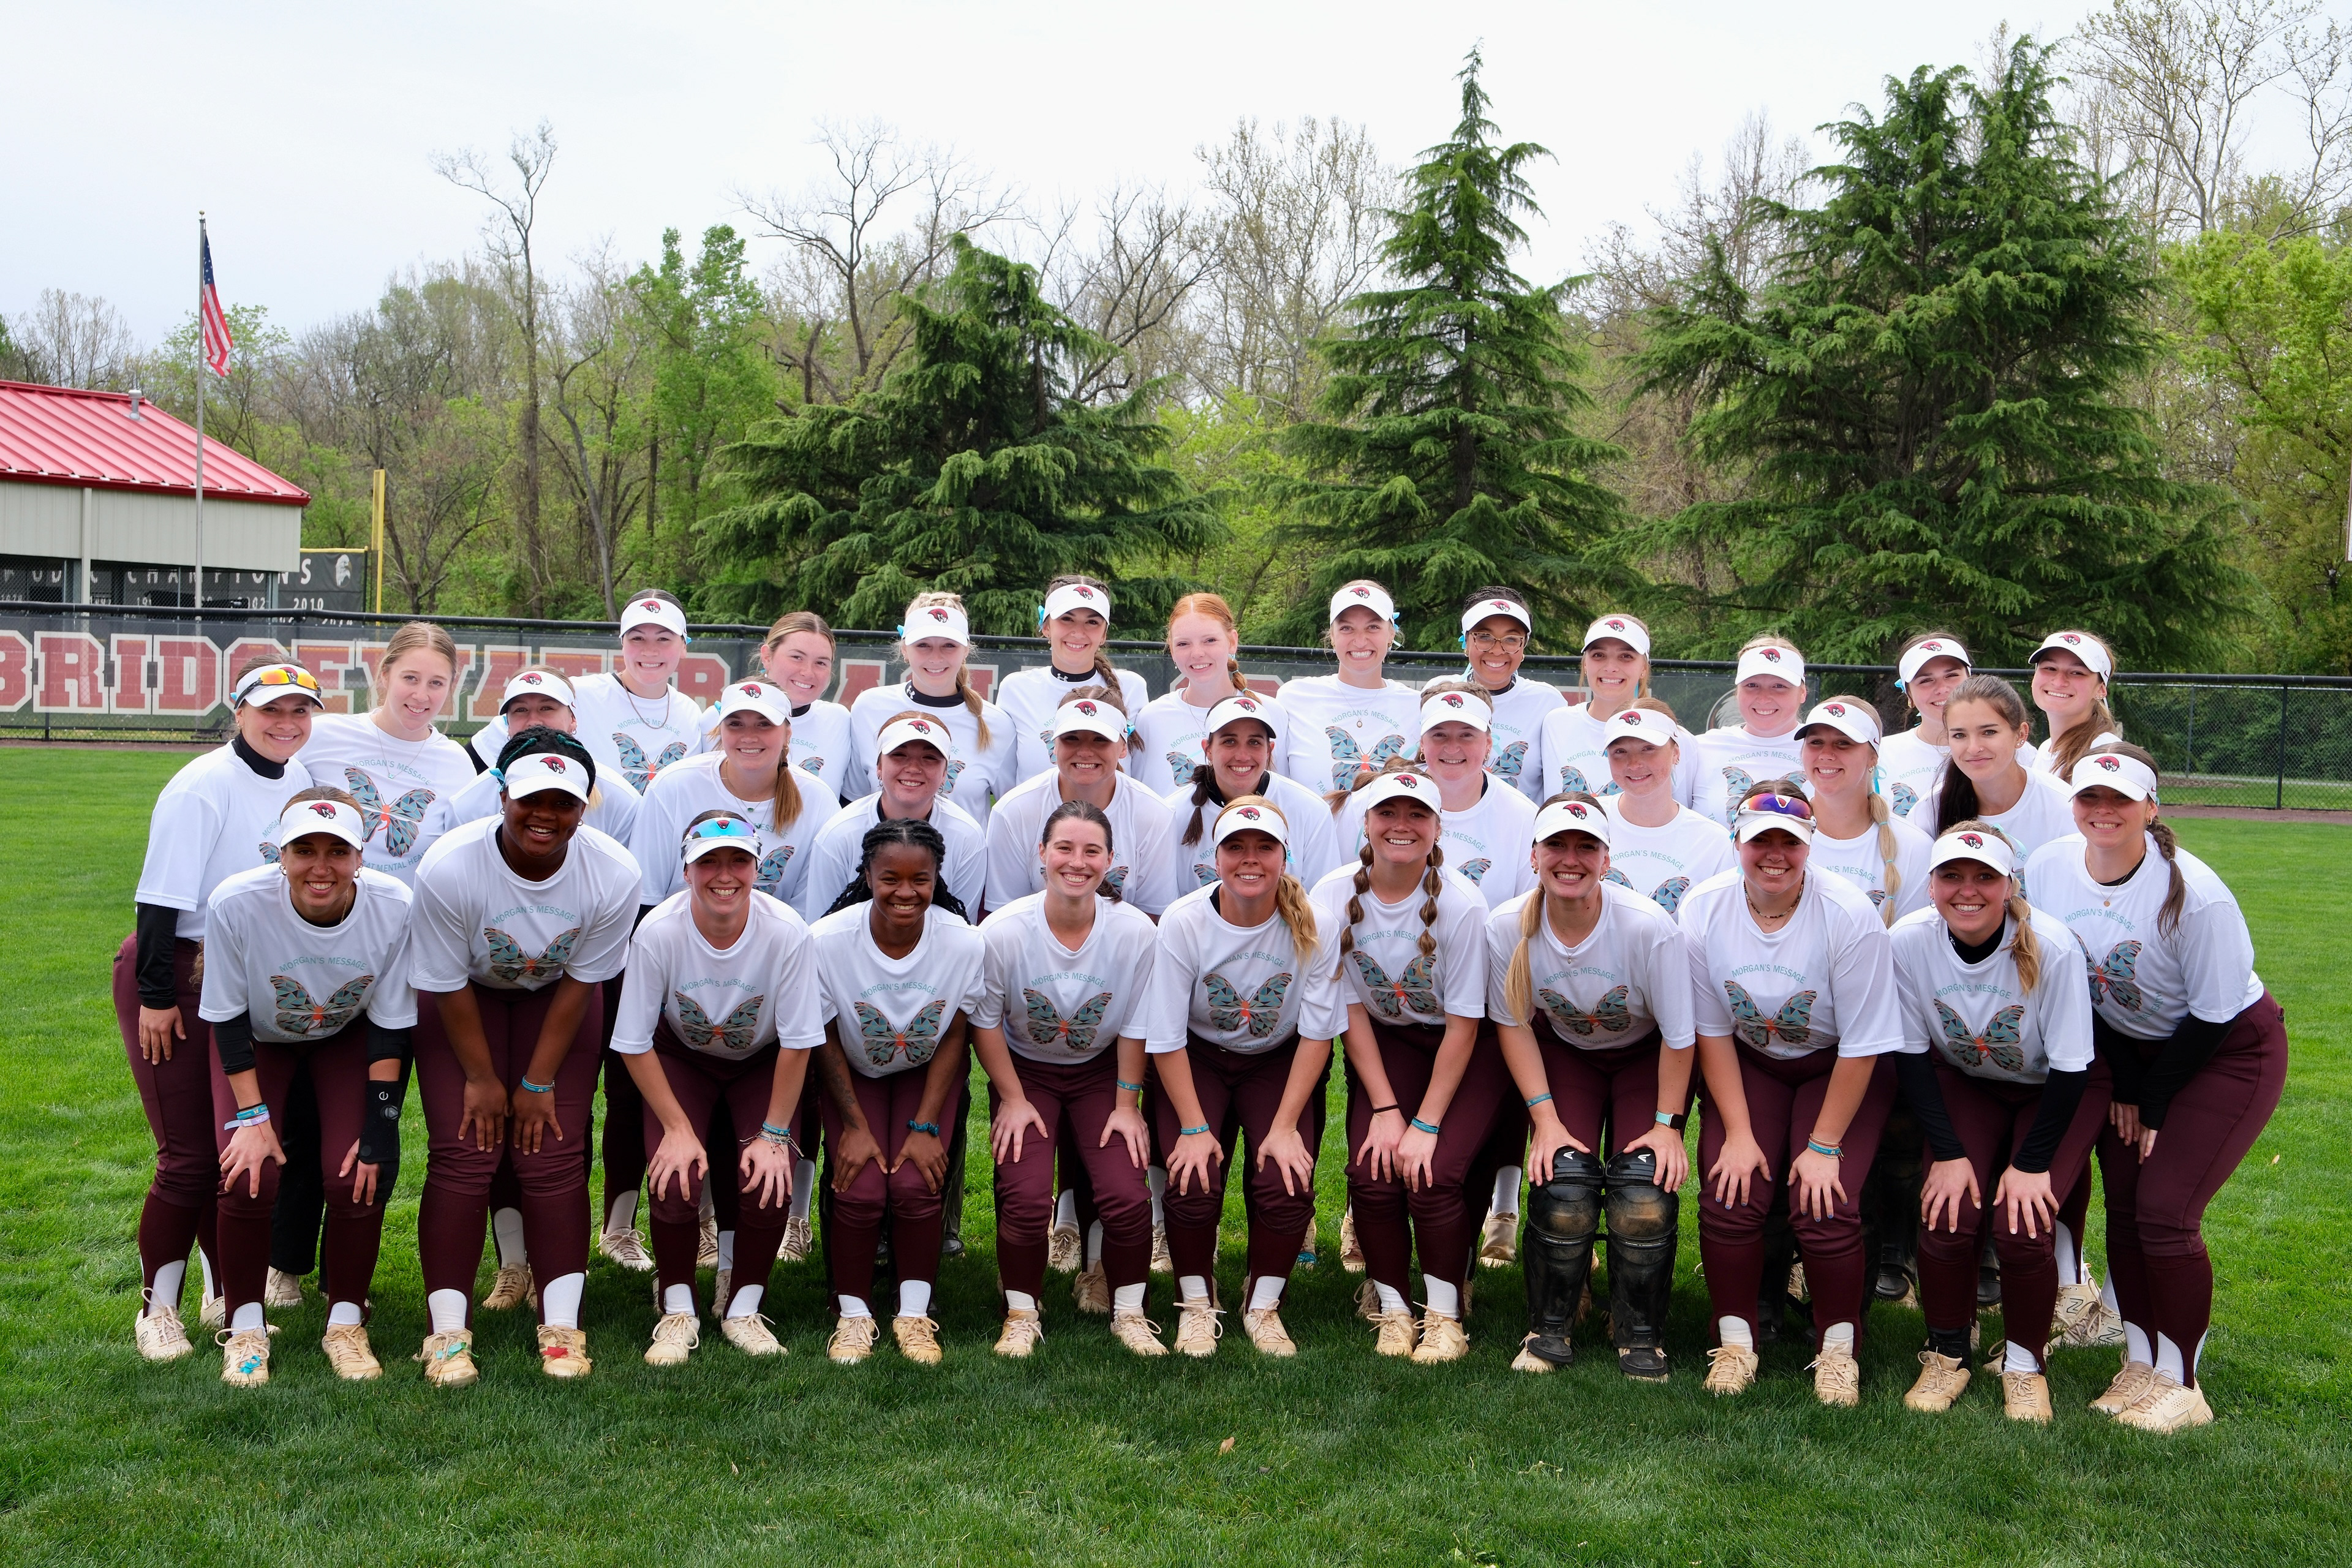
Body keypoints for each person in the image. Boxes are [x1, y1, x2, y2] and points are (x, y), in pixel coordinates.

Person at [2027, 746, 2285, 1433]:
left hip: (2225, 1053)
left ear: (2151, 808)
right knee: (2128, 1207)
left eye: (2120, 799)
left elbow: (2214, 1015)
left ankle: (2184, 1383)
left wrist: (2155, 1100)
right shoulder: (2050, 866)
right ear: (2073, 804)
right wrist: (2132, 1082)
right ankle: (2141, 1360)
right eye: (2090, 798)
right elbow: (2076, 984)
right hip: (2130, 1056)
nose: (2103, 811)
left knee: (2168, 1209)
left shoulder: (2194, 894)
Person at [406, 728, 642, 1384]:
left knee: (555, 1149)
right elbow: (447, 983)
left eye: (563, 803)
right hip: (466, 998)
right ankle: (447, 1334)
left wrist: (537, 1082)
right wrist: (482, 1079)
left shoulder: (614, 871)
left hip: (556, 1002)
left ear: (585, 805)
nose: (546, 815)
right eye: (531, 799)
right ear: (502, 795)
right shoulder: (451, 865)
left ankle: (563, 1326)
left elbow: (579, 984)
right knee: (464, 1151)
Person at [118, 660, 322, 1361]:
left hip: (245, 977)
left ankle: (220, 1296)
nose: (287, 723)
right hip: (178, 967)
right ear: (238, 710)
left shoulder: (300, 780)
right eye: (272, 710)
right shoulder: (202, 785)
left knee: (237, 1149)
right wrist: (154, 995)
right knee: (189, 1157)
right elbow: (159, 898)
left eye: (300, 711)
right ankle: (158, 1310)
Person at [1683, 785, 1906, 1406]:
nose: (1774, 854)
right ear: (1737, 842)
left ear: (1811, 847)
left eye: (1790, 842)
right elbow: (1712, 1030)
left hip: (1839, 1064)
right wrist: (1740, 1133)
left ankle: (1838, 1352)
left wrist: (1823, 1143)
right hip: (1752, 1060)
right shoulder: (1703, 907)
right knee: (1732, 1190)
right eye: (1761, 840)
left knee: (1823, 1199)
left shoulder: (1848, 912)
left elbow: (1864, 1043)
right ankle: (1734, 1342)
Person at [1890, 823, 2108, 1424]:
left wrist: (2030, 1164)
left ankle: (2024, 1362)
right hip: (1970, 1081)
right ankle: (1946, 1348)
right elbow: (1911, 1054)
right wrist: (1951, 1152)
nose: (1968, 890)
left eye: (1985, 876)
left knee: (2022, 1225)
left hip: (2057, 1090)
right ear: (1931, 885)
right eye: (1952, 876)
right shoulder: (1909, 939)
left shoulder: (2052, 947)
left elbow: (2070, 1069)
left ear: (2010, 885)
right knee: (1948, 1210)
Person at [198, 790, 415, 1384]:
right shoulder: (237, 903)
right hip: (260, 1043)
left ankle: (346, 1321)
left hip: (345, 1039)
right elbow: (225, 1015)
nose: (321, 866)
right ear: (281, 853)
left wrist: (379, 1126)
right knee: (249, 1173)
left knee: (358, 1175)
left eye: (337, 850)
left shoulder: (394, 904)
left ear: (360, 855)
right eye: (305, 849)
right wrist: (252, 1117)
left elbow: (392, 1030)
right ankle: (244, 1325)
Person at [1485, 796, 1694, 1380]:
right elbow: (1514, 1026)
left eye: (1585, 847)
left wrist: (1666, 1126)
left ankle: (1638, 1332)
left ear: (1607, 859)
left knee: (1643, 1191)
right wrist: (1546, 1122)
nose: (1569, 859)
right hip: (1566, 1055)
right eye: (1556, 845)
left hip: (1646, 1060)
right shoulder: (1507, 927)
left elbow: (1681, 1036)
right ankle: (1549, 1327)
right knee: (1565, 1180)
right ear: (1534, 856)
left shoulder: (1648, 926)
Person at [1305, 764, 1502, 1363]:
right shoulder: (1334, 893)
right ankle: (1393, 1309)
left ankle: (1445, 1316)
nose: (1401, 825)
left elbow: (1467, 1022)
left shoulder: (1463, 904)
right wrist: (1387, 1108)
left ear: (1438, 828)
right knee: (1371, 1170)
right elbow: (1349, 1007)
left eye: (1417, 814)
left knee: (1433, 1171)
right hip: (1386, 1044)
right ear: (1365, 822)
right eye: (1388, 812)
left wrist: (1425, 1123)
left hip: (1467, 1048)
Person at [610, 810, 821, 1366]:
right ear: (686, 870)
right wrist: (677, 1129)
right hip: (684, 1058)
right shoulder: (658, 931)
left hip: (763, 1060)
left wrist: (775, 1133)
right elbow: (633, 1042)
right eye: (708, 862)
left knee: (767, 1176)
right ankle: (677, 1306)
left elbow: (800, 1042)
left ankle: (744, 1306)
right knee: (675, 1175)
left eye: (738, 861)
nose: (723, 875)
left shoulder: (788, 931)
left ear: (757, 868)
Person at [971, 801, 1166, 1357]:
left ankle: (1128, 1311)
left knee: (1127, 1194)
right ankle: (1021, 1312)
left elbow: (1135, 1022)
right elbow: (985, 1021)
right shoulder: (1004, 931)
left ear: (1109, 861)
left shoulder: (1133, 932)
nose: (1076, 862)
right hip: (1026, 1072)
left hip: (1104, 1070)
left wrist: (1127, 1106)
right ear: (1041, 853)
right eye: (1064, 848)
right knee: (1026, 1197)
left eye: (1091, 851)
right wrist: (1009, 1097)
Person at [1144, 797, 1327, 1358]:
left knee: (1284, 1177)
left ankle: (1264, 1304)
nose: (1251, 860)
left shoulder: (1313, 922)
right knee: (1192, 1176)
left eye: (1264, 847)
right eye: (1236, 848)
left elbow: (1319, 1033)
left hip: (1279, 1058)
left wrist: (1286, 1124)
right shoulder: (1185, 920)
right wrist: (1195, 1129)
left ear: (1284, 856)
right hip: (1197, 1055)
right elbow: (1166, 1036)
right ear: (1215, 856)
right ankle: (1196, 1304)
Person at [805, 819, 986, 1366]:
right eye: (890, 878)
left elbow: (957, 1030)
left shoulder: (963, 941)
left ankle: (914, 1313)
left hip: (926, 1070)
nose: (906, 892)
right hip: (853, 1069)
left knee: (914, 1186)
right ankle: (854, 1315)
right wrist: (855, 1128)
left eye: (921, 879)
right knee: (858, 1189)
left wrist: (928, 1125)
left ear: (937, 880)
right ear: (867, 876)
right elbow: (825, 1034)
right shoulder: (827, 940)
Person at [471, 592, 708, 791]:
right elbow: (478, 756)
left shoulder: (690, 713)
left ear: (684, 645)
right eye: (637, 638)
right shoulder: (575, 694)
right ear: (622, 643)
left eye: (664, 639)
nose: (650, 651)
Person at [1336, 684, 1539, 911]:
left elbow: (1525, 914)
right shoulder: (1367, 802)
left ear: (1488, 744)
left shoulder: (1523, 817)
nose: (1452, 749)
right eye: (1439, 735)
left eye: (1467, 735)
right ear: (1422, 743)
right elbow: (1338, 891)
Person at [299, 622, 473, 884]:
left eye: (436, 683)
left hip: (406, 921)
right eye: (410, 678)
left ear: (451, 685)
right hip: (323, 916)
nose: (421, 695)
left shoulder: (458, 765)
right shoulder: (322, 736)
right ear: (385, 674)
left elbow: (463, 863)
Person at [987, 690, 1178, 918]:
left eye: (1100, 740)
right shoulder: (1013, 811)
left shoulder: (1154, 815)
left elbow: (1153, 916)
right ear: (1053, 744)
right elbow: (1004, 915)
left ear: (1123, 747)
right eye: (1072, 738)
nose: (1085, 752)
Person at [635, 681, 821, 911]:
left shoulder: (818, 799)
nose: (749, 737)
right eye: (735, 724)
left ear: (787, 734)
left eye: (764, 725)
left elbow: (810, 912)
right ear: (720, 730)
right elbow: (646, 898)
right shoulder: (673, 785)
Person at [799, 712, 990, 925]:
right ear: (879, 767)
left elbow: (961, 928)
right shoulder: (839, 833)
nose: (913, 768)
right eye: (899, 755)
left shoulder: (967, 836)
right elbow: (820, 928)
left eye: (929, 758)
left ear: (945, 773)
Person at [847, 591, 1017, 826]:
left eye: (949, 645)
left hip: (961, 862)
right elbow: (854, 800)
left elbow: (1010, 814)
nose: (936, 657)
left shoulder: (995, 723)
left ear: (966, 649)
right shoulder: (869, 707)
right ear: (905, 649)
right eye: (923, 645)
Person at [1166, 693, 1344, 895]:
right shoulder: (1171, 814)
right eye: (1230, 742)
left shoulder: (1311, 811)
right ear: (1207, 749)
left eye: (1254, 742)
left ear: (1270, 750)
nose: (1242, 756)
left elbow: (1323, 901)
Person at [446, 668, 642, 842]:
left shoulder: (620, 798)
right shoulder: (469, 802)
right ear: (507, 725)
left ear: (573, 719)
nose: (534, 721)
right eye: (521, 710)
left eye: (547, 708)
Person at [995, 576, 1152, 782]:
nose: (1078, 632)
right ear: (1046, 627)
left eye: (1092, 622)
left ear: (1104, 634)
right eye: (1067, 619)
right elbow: (1004, 782)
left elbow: (1139, 779)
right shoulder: (1016, 689)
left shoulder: (1132, 688)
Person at [1275, 581, 1423, 793]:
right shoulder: (1294, 697)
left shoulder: (1418, 706)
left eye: (1373, 627)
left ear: (1391, 634)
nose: (1360, 641)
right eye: (1347, 628)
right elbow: (1277, 785)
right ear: (1332, 636)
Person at [1536, 614, 1698, 804]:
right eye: (1599, 655)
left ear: (1644, 668)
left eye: (1626, 657)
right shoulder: (1556, 725)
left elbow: (1682, 816)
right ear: (1585, 664)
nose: (1611, 667)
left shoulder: (1676, 738)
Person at [1796, 698, 1931, 922]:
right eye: (1816, 742)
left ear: (1873, 757)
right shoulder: (1779, 834)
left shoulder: (1914, 847)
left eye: (1844, 743)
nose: (1826, 754)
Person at [1599, 703, 1735, 919]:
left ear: (1676, 753)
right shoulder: (1589, 822)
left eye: (1648, 749)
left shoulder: (1714, 843)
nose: (1634, 764)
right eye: (1620, 752)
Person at [1925, 675, 2076, 862]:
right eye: (1959, 735)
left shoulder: (2065, 807)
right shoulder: (1930, 811)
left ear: (2021, 734)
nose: (1973, 748)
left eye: (1989, 732)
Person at [1452, 589, 1566, 802]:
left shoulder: (1548, 702)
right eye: (1484, 637)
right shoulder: (1442, 692)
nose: (1497, 650)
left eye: (1511, 639)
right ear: (1466, 642)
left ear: (1524, 647)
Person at [1688, 635, 1808, 829]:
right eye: (1752, 685)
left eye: (1779, 686)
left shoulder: (1825, 751)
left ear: (1803, 692)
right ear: (1737, 692)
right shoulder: (1699, 748)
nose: (1764, 697)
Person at [758, 610, 856, 806]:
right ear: (767, 657)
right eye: (797, 657)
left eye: (820, 662)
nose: (807, 672)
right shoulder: (721, 718)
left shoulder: (840, 721)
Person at [1876, 634, 1972, 820]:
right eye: (1926, 680)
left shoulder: (2012, 749)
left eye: (1952, 675)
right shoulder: (1881, 754)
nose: (1943, 688)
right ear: (1908, 695)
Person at [2027, 630, 2122, 778]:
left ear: (2101, 690)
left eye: (2077, 672)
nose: (2059, 682)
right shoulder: (2046, 748)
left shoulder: (2104, 755)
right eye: (2050, 668)